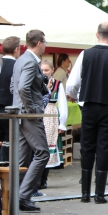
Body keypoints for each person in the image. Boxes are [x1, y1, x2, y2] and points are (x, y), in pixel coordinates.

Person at [66, 22, 108, 204]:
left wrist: (73, 95)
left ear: (97, 35)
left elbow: (72, 83)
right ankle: (100, 194)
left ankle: (84, 194)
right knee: (104, 147)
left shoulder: (84, 55)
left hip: (88, 106)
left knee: (87, 146)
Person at [11, 30, 50, 212]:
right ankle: (22, 196)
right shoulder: (29, 61)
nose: (46, 45)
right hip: (28, 115)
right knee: (42, 153)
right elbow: (22, 87)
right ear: (39, 43)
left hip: (20, 113)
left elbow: (14, 86)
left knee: (22, 158)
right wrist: (32, 108)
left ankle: (14, 197)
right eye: (45, 42)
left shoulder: (21, 60)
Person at [40, 60, 68, 189]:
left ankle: (43, 178)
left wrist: (62, 123)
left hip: (50, 114)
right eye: (42, 70)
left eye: (46, 70)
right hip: (39, 114)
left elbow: (62, 103)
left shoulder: (57, 84)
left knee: (48, 144)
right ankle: (37, 178)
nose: (44, 72)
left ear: (52, 70)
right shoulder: (36, 83)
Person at [0, 36, 20, 148]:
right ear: (16, 49)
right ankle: (9, 164)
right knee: (11, 144)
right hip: (10, 109)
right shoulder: (17, 66)